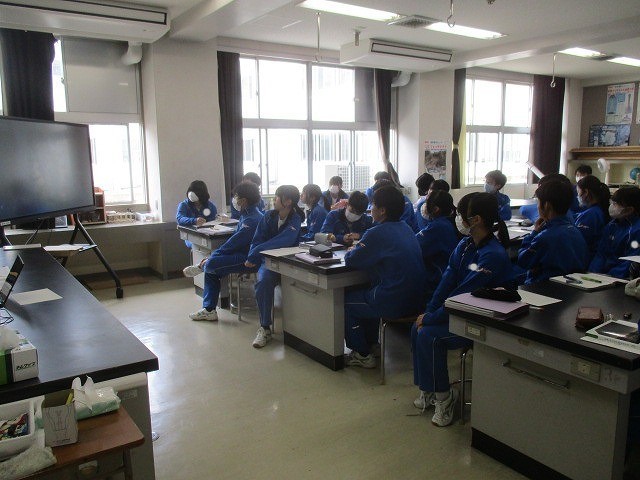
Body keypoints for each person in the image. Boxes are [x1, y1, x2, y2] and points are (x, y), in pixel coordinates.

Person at [412, 192, 513, 427]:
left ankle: (444, 398)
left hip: (483, 318)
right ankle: (428, 389)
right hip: (461, 311)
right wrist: (429, 312)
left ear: (476, 219)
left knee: (430, 336)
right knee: (416, 328)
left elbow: (464, 296)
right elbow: (446, 282)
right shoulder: (465, 245)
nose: (457, 218)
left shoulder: (492, 255)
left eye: (461, 214)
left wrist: (432, 318)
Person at [343, 185, 427, 368]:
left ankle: (361, 353)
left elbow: (352, 260)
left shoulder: (377, 232)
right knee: (368, 293)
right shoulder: (405, 228)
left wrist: (352, 250)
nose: (370, 209)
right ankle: (372, 345)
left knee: (346, 302)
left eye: (373, 205)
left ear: (382, 210)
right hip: (416, 300)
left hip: (394, 300)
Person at [182, 182, 263, 321]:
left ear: (244, 200)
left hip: (248, 259)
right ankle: (209, 309)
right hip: (240, 253)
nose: (234, 200)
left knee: (211, 264)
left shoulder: (252, 219)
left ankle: (202, 267)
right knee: (211, 268)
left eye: (236, 197)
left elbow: (234, 243)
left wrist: (214, 255)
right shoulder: (246, 214)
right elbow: (234, 243)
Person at [244, 185, 304, 348]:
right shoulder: (268, 216)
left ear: (288, 202)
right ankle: (265, 327)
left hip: (290, 262)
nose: (274, 200)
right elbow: (257, 239)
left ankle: (301, 329)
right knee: (263, 283)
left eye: (277, 197)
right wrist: (254, 253)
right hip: (269, 262)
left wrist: (256, 251)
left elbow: (284, 241)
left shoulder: (295, 219)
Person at [517, 180, 589, 284]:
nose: (537, 206)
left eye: (538, 202)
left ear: (547, 205)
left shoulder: (545, 237)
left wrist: (534, 233)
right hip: (569, 286)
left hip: (542, 287)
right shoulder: (575, 231)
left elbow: (524, 261)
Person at [589, 186, 640, 279]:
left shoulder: (636, 231)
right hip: (601, 276)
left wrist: (609, 276)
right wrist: (592, 272)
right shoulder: (611, 225)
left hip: (619, 278)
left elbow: (630, 261)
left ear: (629, 210)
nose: (612, 206)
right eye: (612, 202)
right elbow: (601, 253)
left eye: (616, 204)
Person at [415, 190, 459, 297]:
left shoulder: (437, 227)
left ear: (435, 209)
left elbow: (414, 245)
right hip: (444, 274)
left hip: (437, 277)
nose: (424, 206)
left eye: (427, 203)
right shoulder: (444, 223)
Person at [574, 175, 610, 258]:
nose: (577, 196)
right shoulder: (599, 210)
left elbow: (579, 241)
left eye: (578, 192)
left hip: (588, 258)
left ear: (586, 192)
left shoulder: (591, 214)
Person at [176, 180, 217, 247]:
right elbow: (180, 219)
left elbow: (213, 220)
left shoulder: (210, 206)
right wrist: (194, 221)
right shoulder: (184, 205)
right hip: (191, 236)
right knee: (196, 246)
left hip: (207, 235)